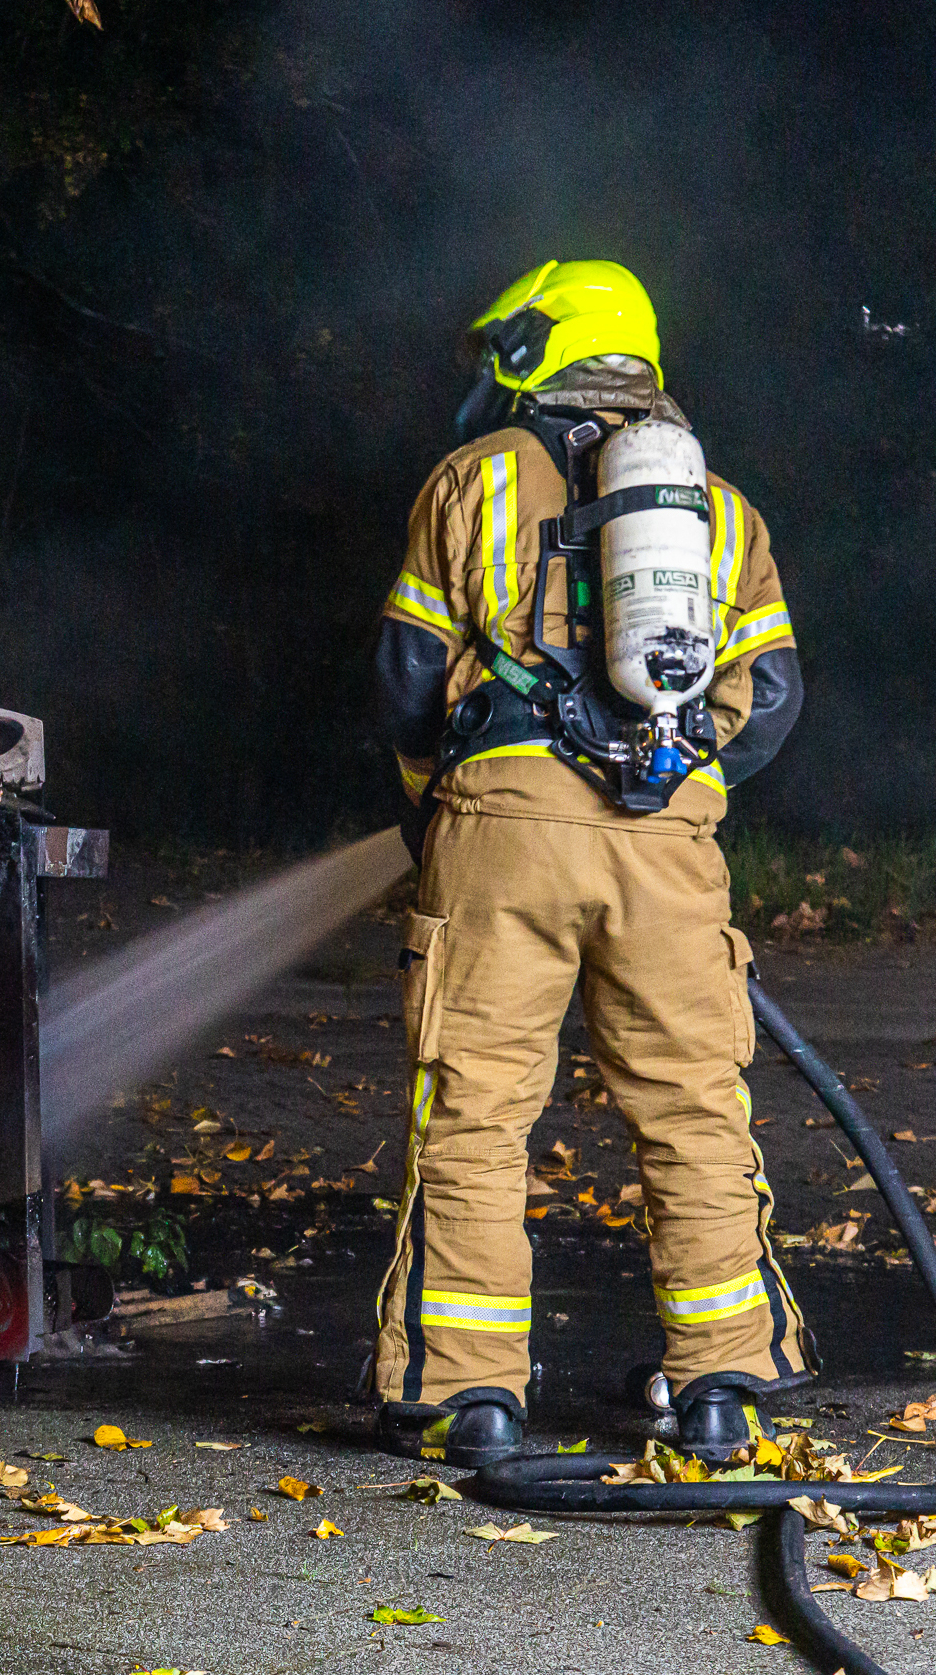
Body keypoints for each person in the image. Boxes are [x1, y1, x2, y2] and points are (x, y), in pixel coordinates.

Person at [367, 259, 811, 1468]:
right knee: (692, 1111)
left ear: (537, 347)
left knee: (473, 1112)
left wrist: (437, 810)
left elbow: (408, 677)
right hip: (665, 851)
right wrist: (678, 778)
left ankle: (471, 1397)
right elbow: (768, 697)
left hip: (500, 836)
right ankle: (720, 1386)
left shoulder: (472, 479)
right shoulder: (718, 508)